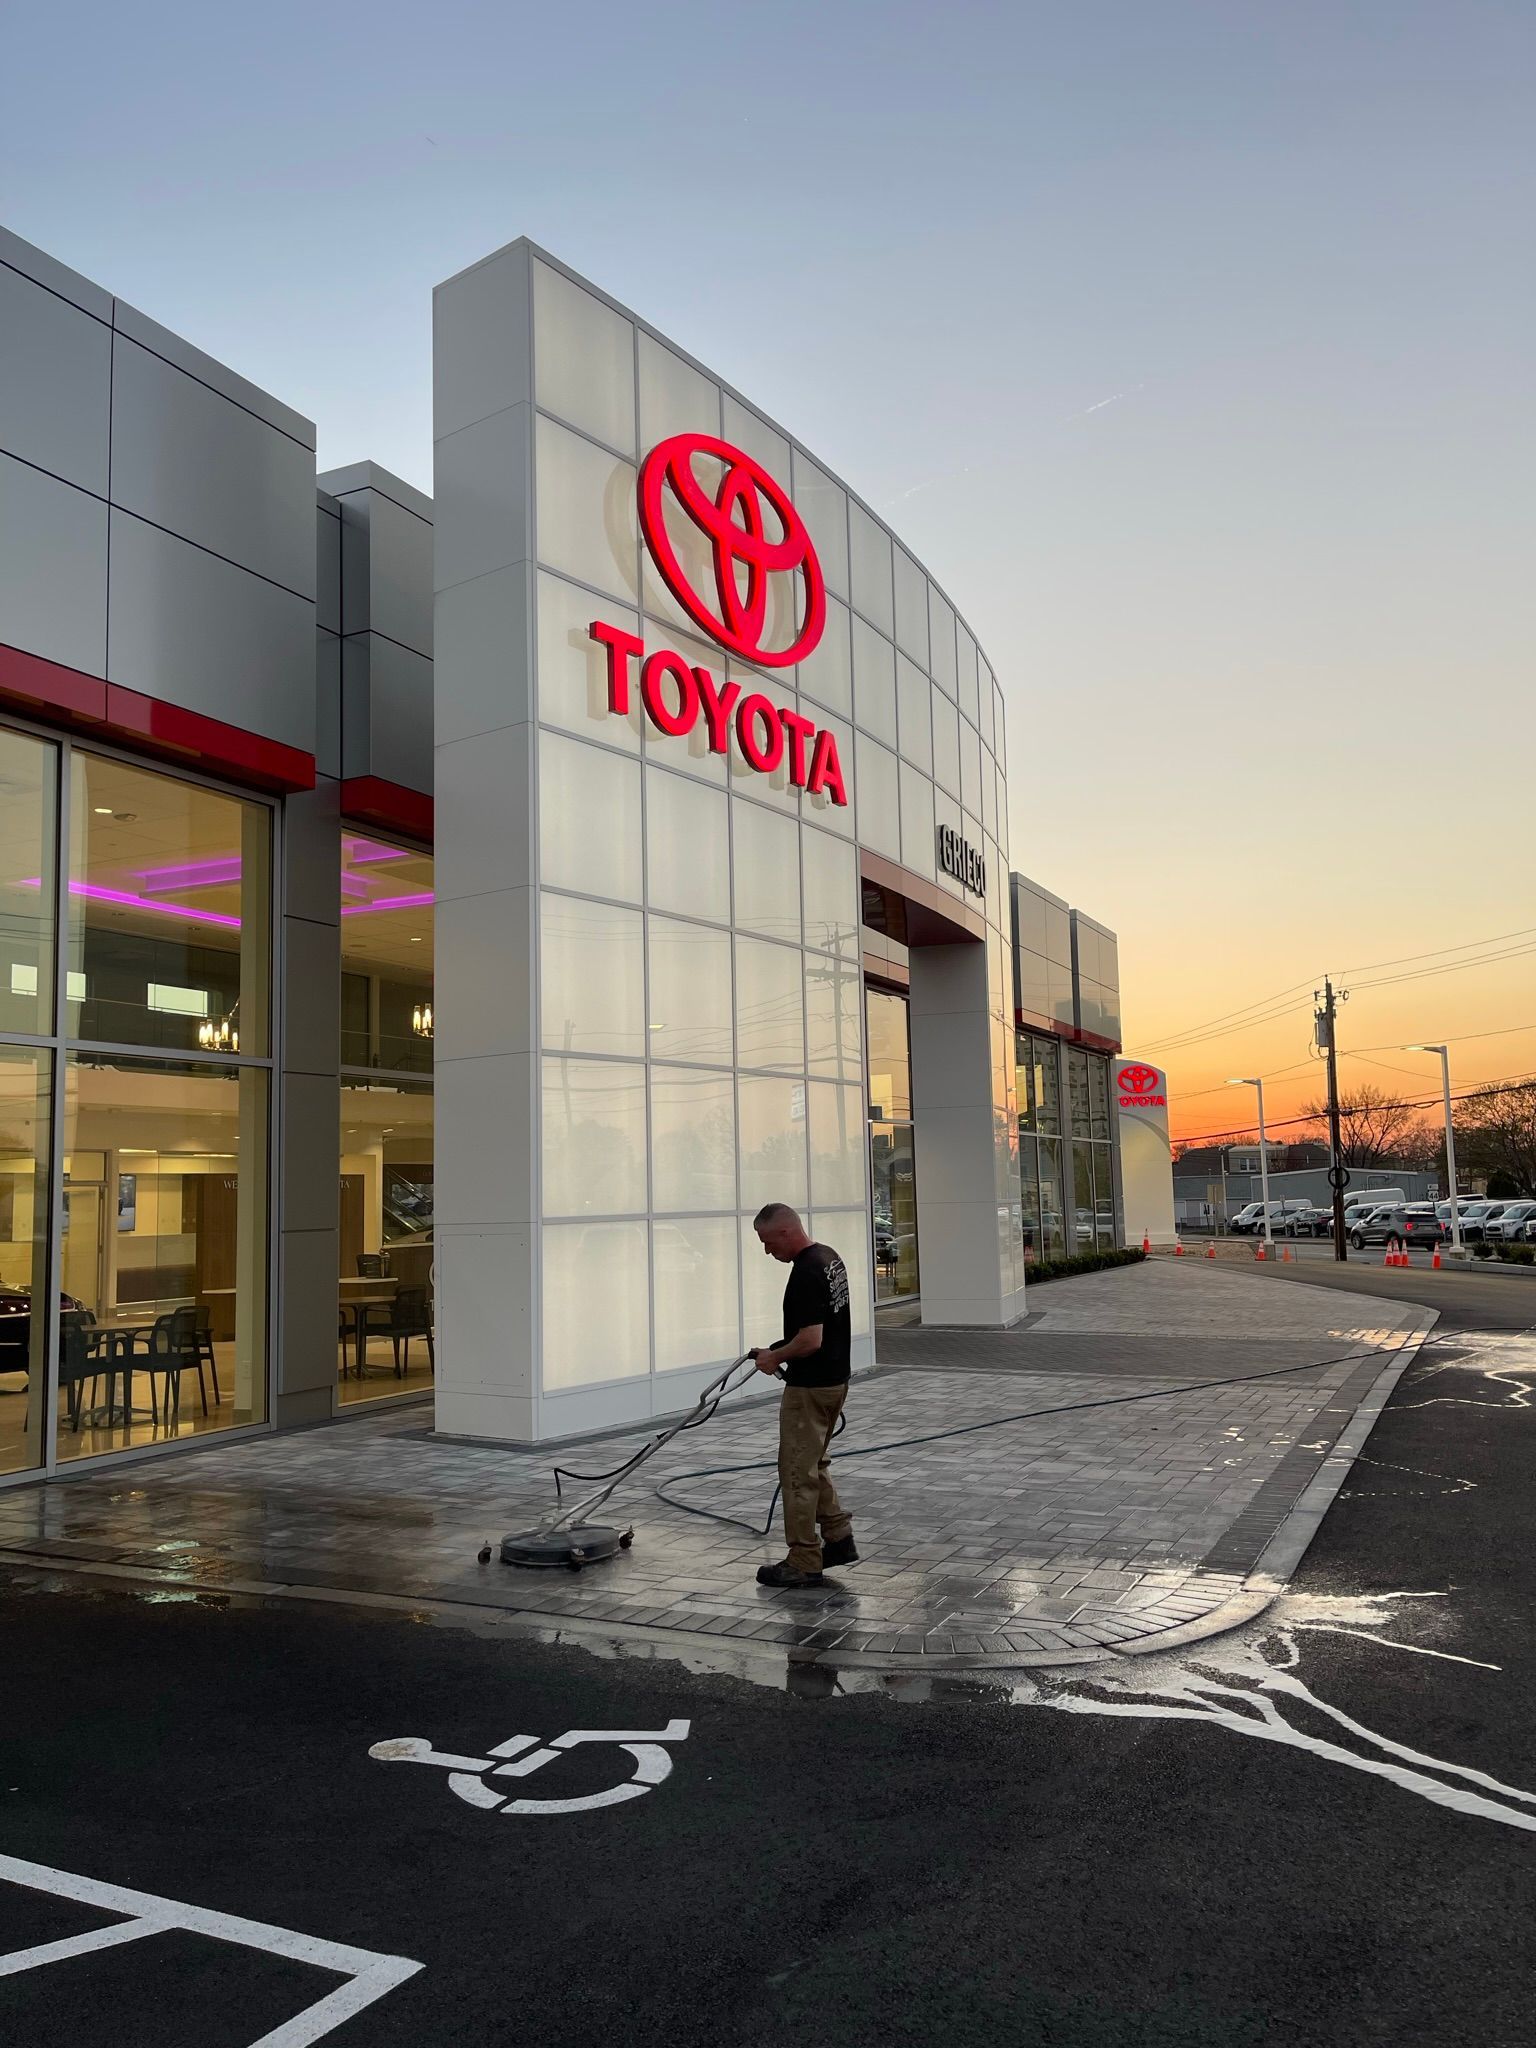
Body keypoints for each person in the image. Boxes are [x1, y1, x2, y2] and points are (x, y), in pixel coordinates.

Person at [750, 1202, 858, 1588]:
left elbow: (811, 1340)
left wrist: (774, 1357)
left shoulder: (806, 1273)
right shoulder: (830, 1259)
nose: (766, 1251)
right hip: (835, 1381)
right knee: (814, 1463)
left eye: (766, 1242)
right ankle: (839, 1539)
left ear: (784, 1232)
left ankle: (803, 1560)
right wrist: (779, 1348)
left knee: (796, 1474)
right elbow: (823, 1326)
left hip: (810, 1387)